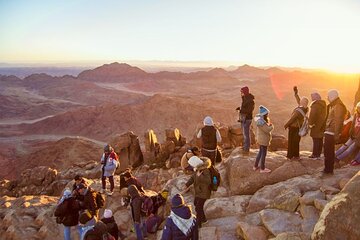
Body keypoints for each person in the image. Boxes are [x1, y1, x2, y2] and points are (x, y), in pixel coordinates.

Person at [323, 89, 347, 176]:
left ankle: (329, 170)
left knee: (329, 151)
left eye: (328, 96)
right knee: (327, 151)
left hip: (332, 132)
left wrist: (337, 135)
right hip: (329, 131)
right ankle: (327, 169)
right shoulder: (335, 105)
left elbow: (338, 121)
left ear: (332, 96)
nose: (327, 98)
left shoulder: (338, 106)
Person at [184, 157, 212, 228]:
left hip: (204, 192)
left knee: (198, 208)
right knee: (196, 204)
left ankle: (198, 224)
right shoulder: (197, 169)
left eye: (191, 165)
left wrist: (200, 177)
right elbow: (193, 178)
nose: (191, 166)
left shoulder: (205, 170)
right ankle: (204, 219)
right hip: (199, 191)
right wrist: (187, 184)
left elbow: (208, 181)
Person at [284, 86, 309, 160]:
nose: (300, 101)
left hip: (293, 127)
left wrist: (286, 125)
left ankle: (290, 156)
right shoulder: (305, 108)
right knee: (296, 142)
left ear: (302, 102)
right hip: (299, 127)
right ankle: (296, 155)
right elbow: (299, 101)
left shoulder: (298, 111)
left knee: (291, 142)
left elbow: (292, 119)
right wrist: (296, 94)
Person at [253, 106, 274, 173]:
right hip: (263, 140)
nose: (268, 115)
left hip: (260, 139)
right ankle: (262, 168)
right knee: (263, 154)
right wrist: (271, 126)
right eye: (267, 114)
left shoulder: (259, 120)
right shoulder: (262, 122)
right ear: (264, 114)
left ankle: (255, 166)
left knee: (260, 153)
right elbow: (267, 130)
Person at [236, 86, 255, 153]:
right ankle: (245, 146)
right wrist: (240, 109)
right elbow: (245, 108)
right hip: (244, 118)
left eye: (242, 92)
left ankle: (247, 148)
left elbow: (249, 110)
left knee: (246, 134)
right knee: (245, 133)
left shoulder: (250, 100)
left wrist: (241, 110)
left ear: (245, 92)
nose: (241, 93)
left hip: (247, 118)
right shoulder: (245, 98)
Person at [308, 92, 327, 159]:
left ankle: (314, 154)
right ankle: (318, 154)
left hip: (315, 125)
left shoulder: (315, 105)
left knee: (315, 139)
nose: (311, 98)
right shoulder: (324, 104)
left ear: (316, 97)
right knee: (320, 139)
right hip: (322, 125)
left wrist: (310, 123)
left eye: (312, 96)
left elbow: (312, 115)